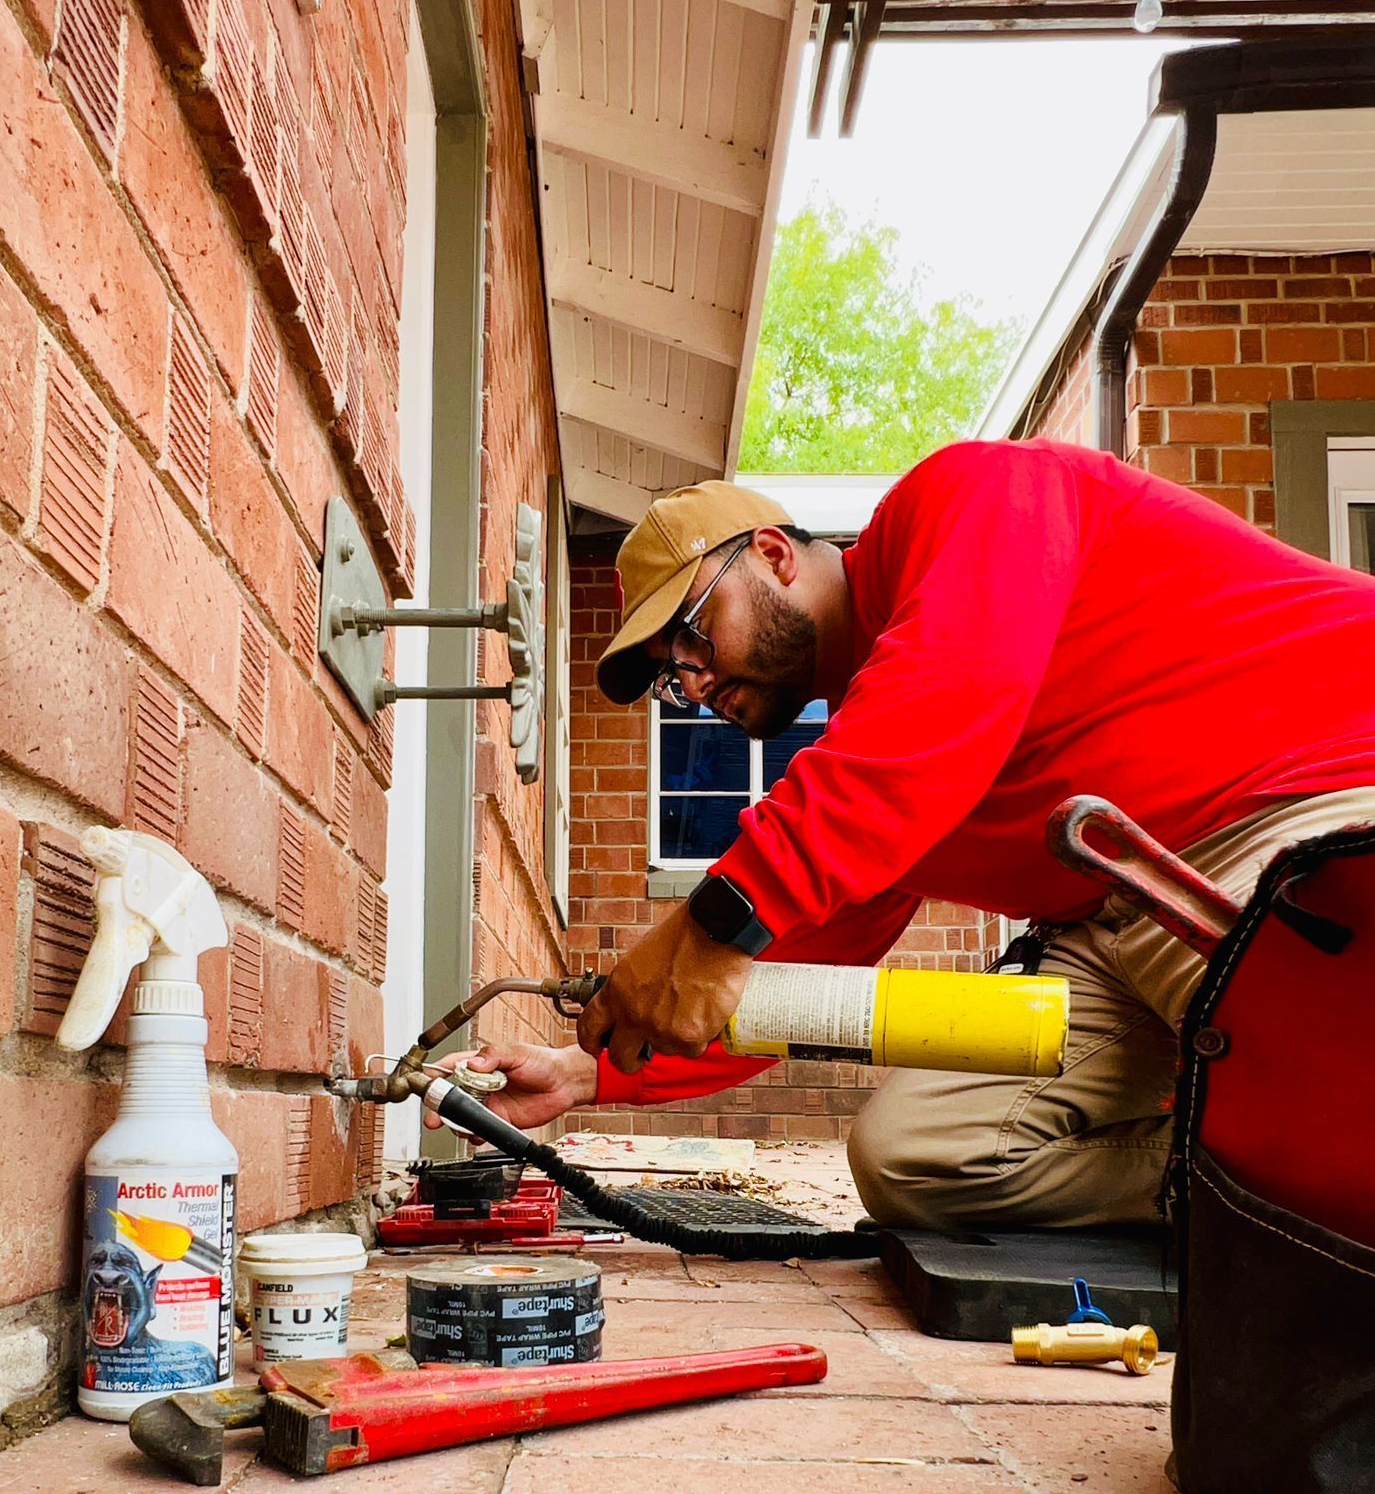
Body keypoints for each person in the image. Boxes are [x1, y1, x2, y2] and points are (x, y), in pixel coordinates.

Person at [435, 439, 1375, 1228]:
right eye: (670, 678)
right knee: (916, 1158)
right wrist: (584, 1072)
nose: (694, 684)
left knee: (1292, 1056)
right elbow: (798, 958)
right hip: (1116, 916)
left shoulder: (971, 498)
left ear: (771, 553)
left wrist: (710, 923)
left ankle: (1300, 1165)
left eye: (690, 633)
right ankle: (1257, 1190)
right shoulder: (878, 764)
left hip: (1303, 800)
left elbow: (942, 703)